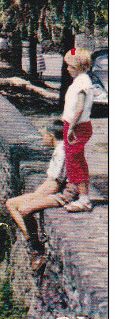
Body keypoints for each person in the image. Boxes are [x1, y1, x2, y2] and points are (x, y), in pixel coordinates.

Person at [4, 121, 77, 270]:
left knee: (24, 209)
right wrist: (35, 195)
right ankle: (33, 242)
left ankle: (37, 250)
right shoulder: (60, 150)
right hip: (56, 189)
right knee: (11, 203)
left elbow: (54, 185)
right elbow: (50, 181)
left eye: (43, 135)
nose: (42, 138)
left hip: (65, 194)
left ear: (51, 136)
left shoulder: (62, 152)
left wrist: (35, 198)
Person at [60, 48, 95, 212]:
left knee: (73, 161)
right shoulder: (81, 80)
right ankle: (81, 194)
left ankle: (83, 199)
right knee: (78, 160)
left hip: (77, 127)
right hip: (75, 125)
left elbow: (79, 108)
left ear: (80, 66)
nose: (68, 69)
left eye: (71, 66)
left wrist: (71, 127)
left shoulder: (82, 83)